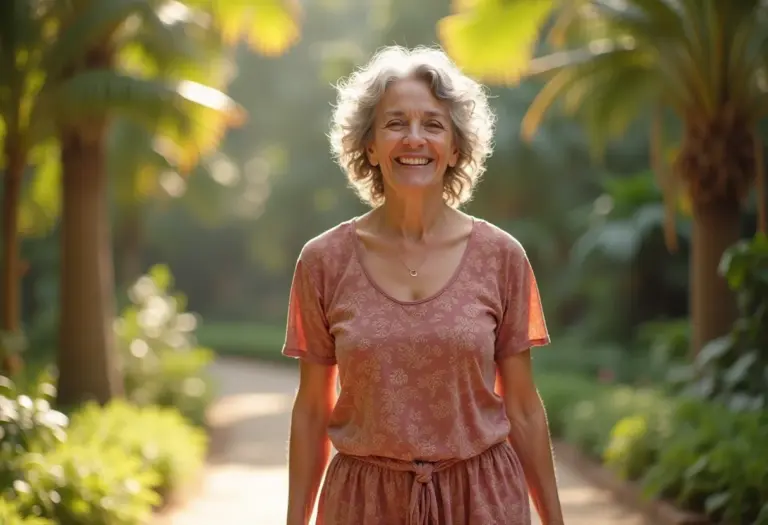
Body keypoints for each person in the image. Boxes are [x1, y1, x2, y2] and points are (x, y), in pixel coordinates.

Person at [282, 45, 564, 525]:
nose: (414, 138)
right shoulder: (323, 260)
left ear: (455, 147)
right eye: (395, 123)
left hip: (482, 501)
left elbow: (523, 406)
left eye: (432, 124)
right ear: (369, 144)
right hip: (363, 505)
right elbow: (311, 411)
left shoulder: (502, 257)